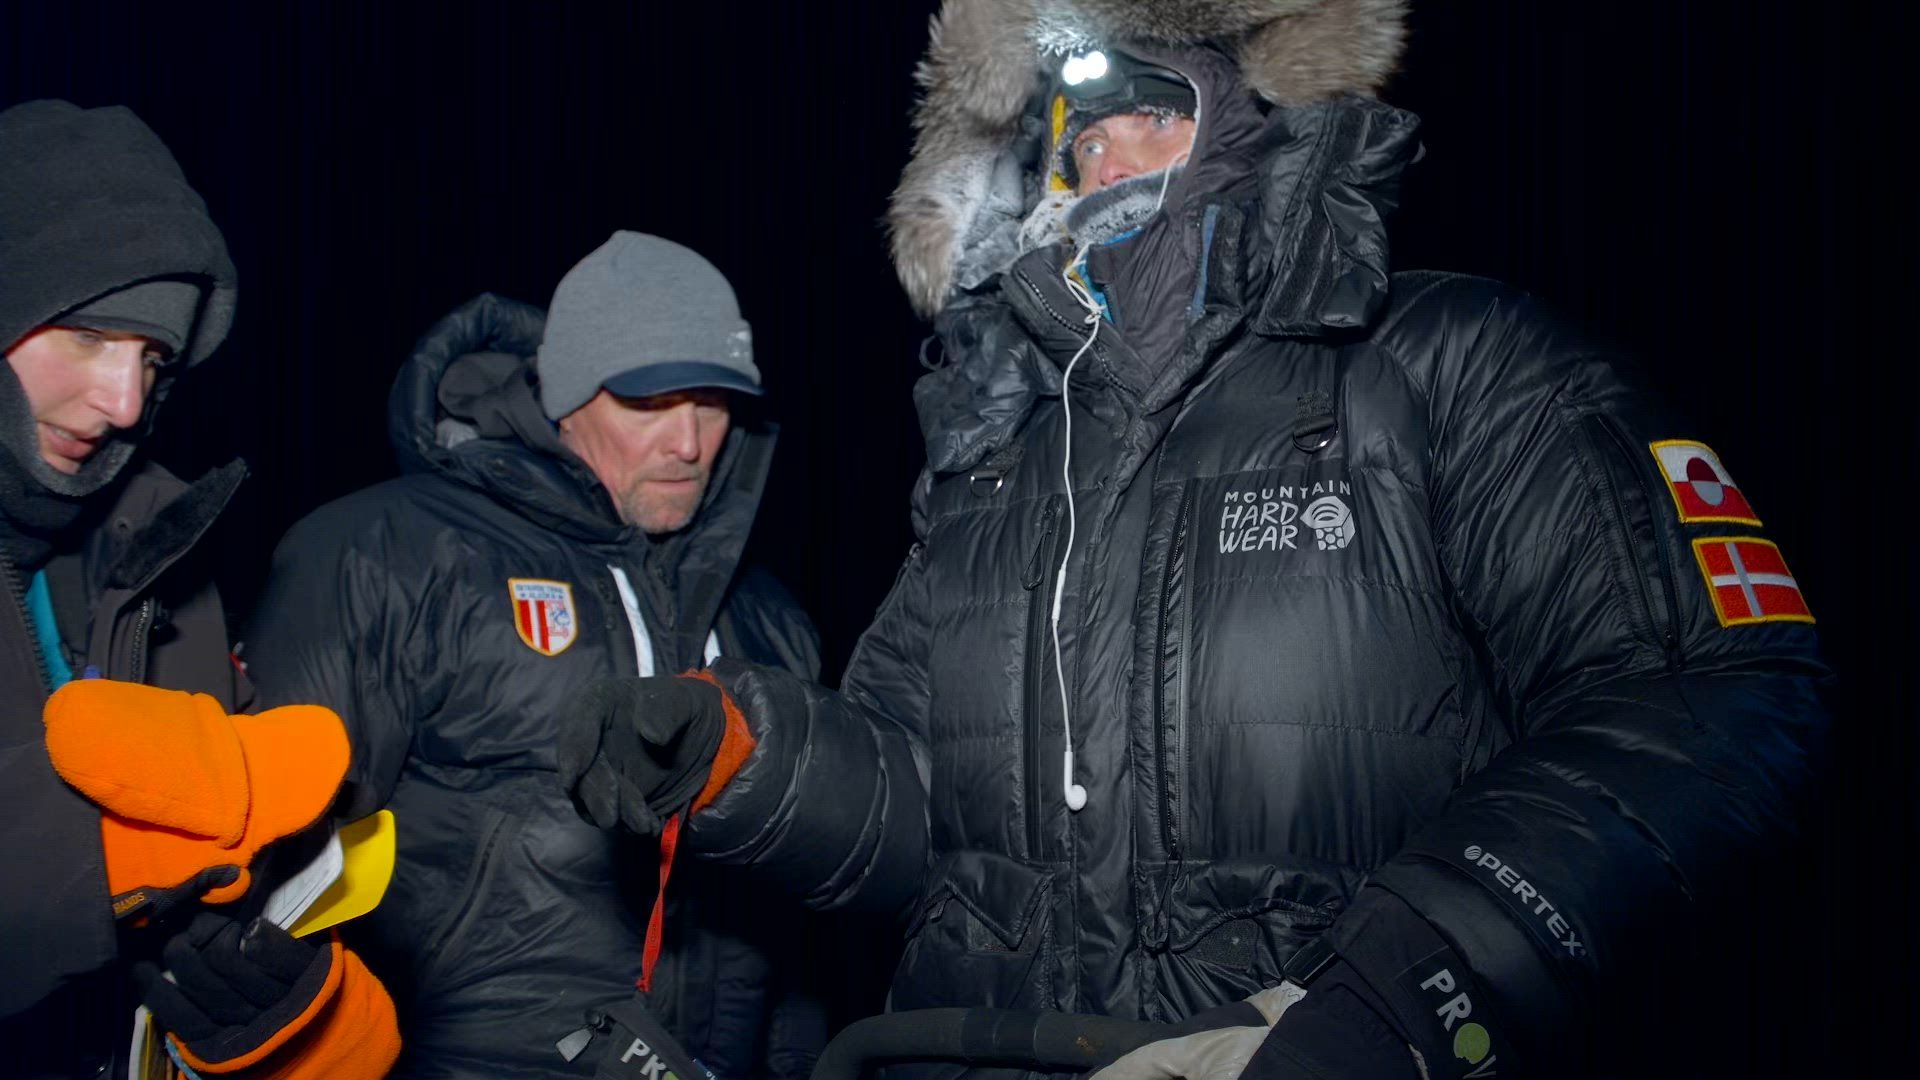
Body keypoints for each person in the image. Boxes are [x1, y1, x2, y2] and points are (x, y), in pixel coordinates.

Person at [555, 2, 1832, 1078]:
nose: (1111, 162)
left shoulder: (1453, 364)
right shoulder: (997, 456)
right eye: (1078, 137)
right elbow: (927, 804)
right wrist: (744, 759)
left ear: (1250, 122)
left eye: (1154, 113)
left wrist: (1421, 984)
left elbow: (1713, 689)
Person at [242, 231, 836, 1078]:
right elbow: (262, 880)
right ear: (564, 399)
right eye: (650, 403)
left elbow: (797, 914)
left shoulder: (770, 619)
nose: (690, 443)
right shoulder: (386, 554)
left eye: (712, 404)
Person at [0, 99, 399, 1079]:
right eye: (89, 334)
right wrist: (96, 850)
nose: (124, 401)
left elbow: (219, 909)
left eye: (154, 359)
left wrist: (278, 1023)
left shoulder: (163, 552)